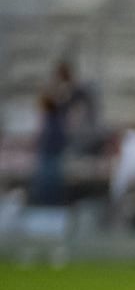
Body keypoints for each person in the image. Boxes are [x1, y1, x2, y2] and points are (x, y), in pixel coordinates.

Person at [31, 59, 94, 206]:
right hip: (48, 142)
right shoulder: (52, 92)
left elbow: (83, 99)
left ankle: (53, 202)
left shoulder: (71, 92)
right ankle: (44, 202)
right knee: (46, 175)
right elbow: (46, 106)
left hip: (58, 142)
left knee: (55, 175)